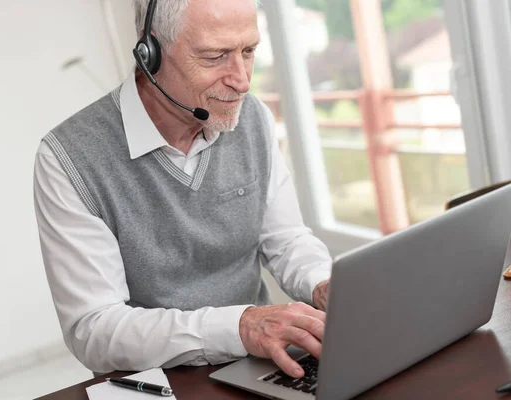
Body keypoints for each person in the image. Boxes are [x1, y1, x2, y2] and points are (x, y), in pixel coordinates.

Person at [33, 0, 332, 380]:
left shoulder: (252, 117)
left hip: (259, 360)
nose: (241, 80)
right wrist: (240, 327)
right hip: (153, 379)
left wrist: (321, 282)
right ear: (150, 53)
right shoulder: (68, 158)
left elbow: (285, 239)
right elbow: (94, 329)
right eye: (214, 56)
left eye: (249, 51)